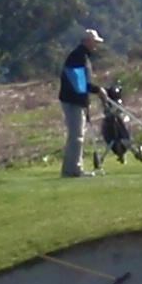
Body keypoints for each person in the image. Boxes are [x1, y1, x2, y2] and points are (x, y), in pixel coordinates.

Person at [56, 29, 104, 179]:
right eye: (94, 42)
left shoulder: (84, 56)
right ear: (87, 41)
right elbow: (79, 84)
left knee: (76, 135)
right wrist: (97, 90)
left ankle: (69, 170)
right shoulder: (78, 56)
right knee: (76, 136)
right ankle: (74, 170)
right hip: (72, 101)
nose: (96, 45)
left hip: (76, 100)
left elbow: (82, 84)